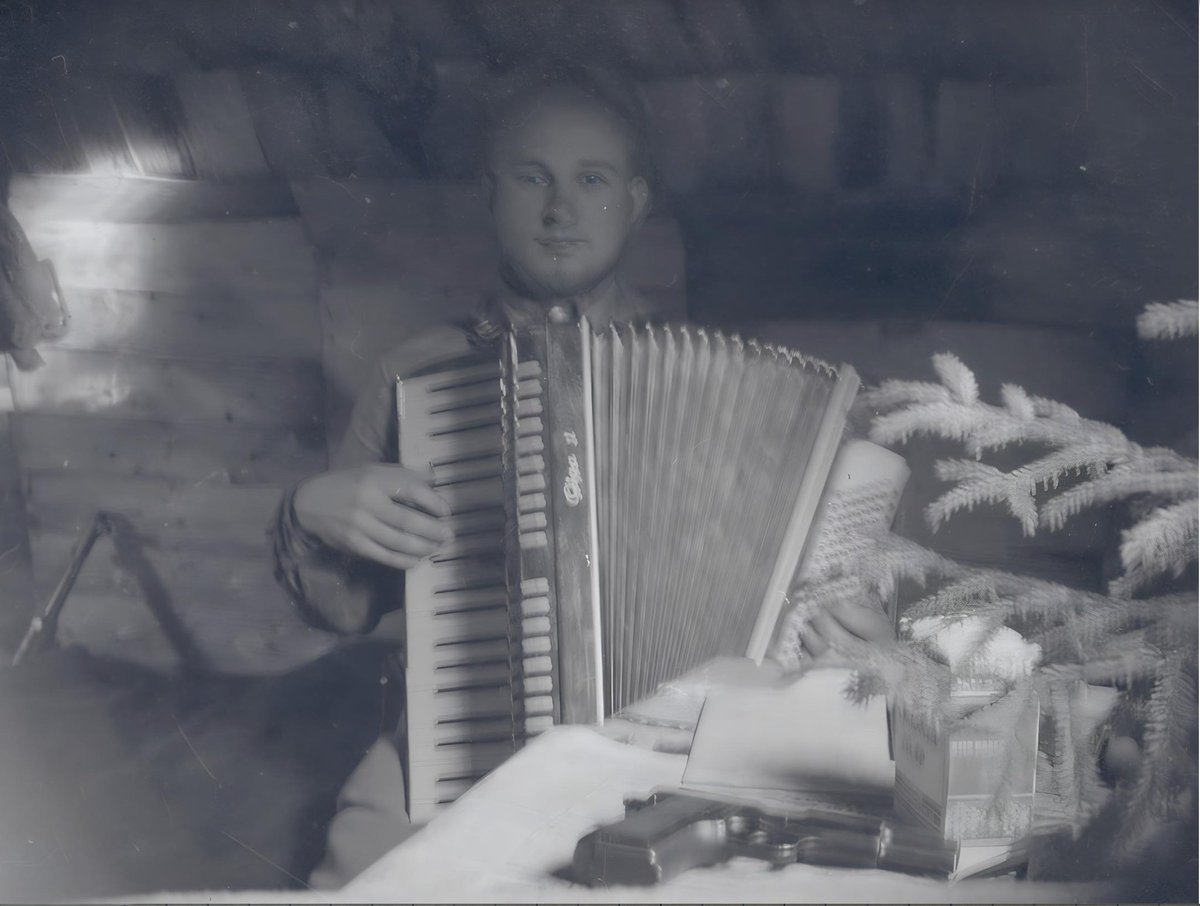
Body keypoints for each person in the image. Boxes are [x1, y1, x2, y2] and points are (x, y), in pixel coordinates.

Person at [272, 61, 894, 888]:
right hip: (462, 744)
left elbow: (850, 602)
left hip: (675, 765)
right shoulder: (418, 377)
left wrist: (871, 640)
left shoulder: (729, 389)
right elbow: (342, 606)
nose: (560, 210)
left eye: (591, 180)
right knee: (362, 879)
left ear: (634, 202)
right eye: (533, 178)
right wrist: (307, 513)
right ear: (490, 194)